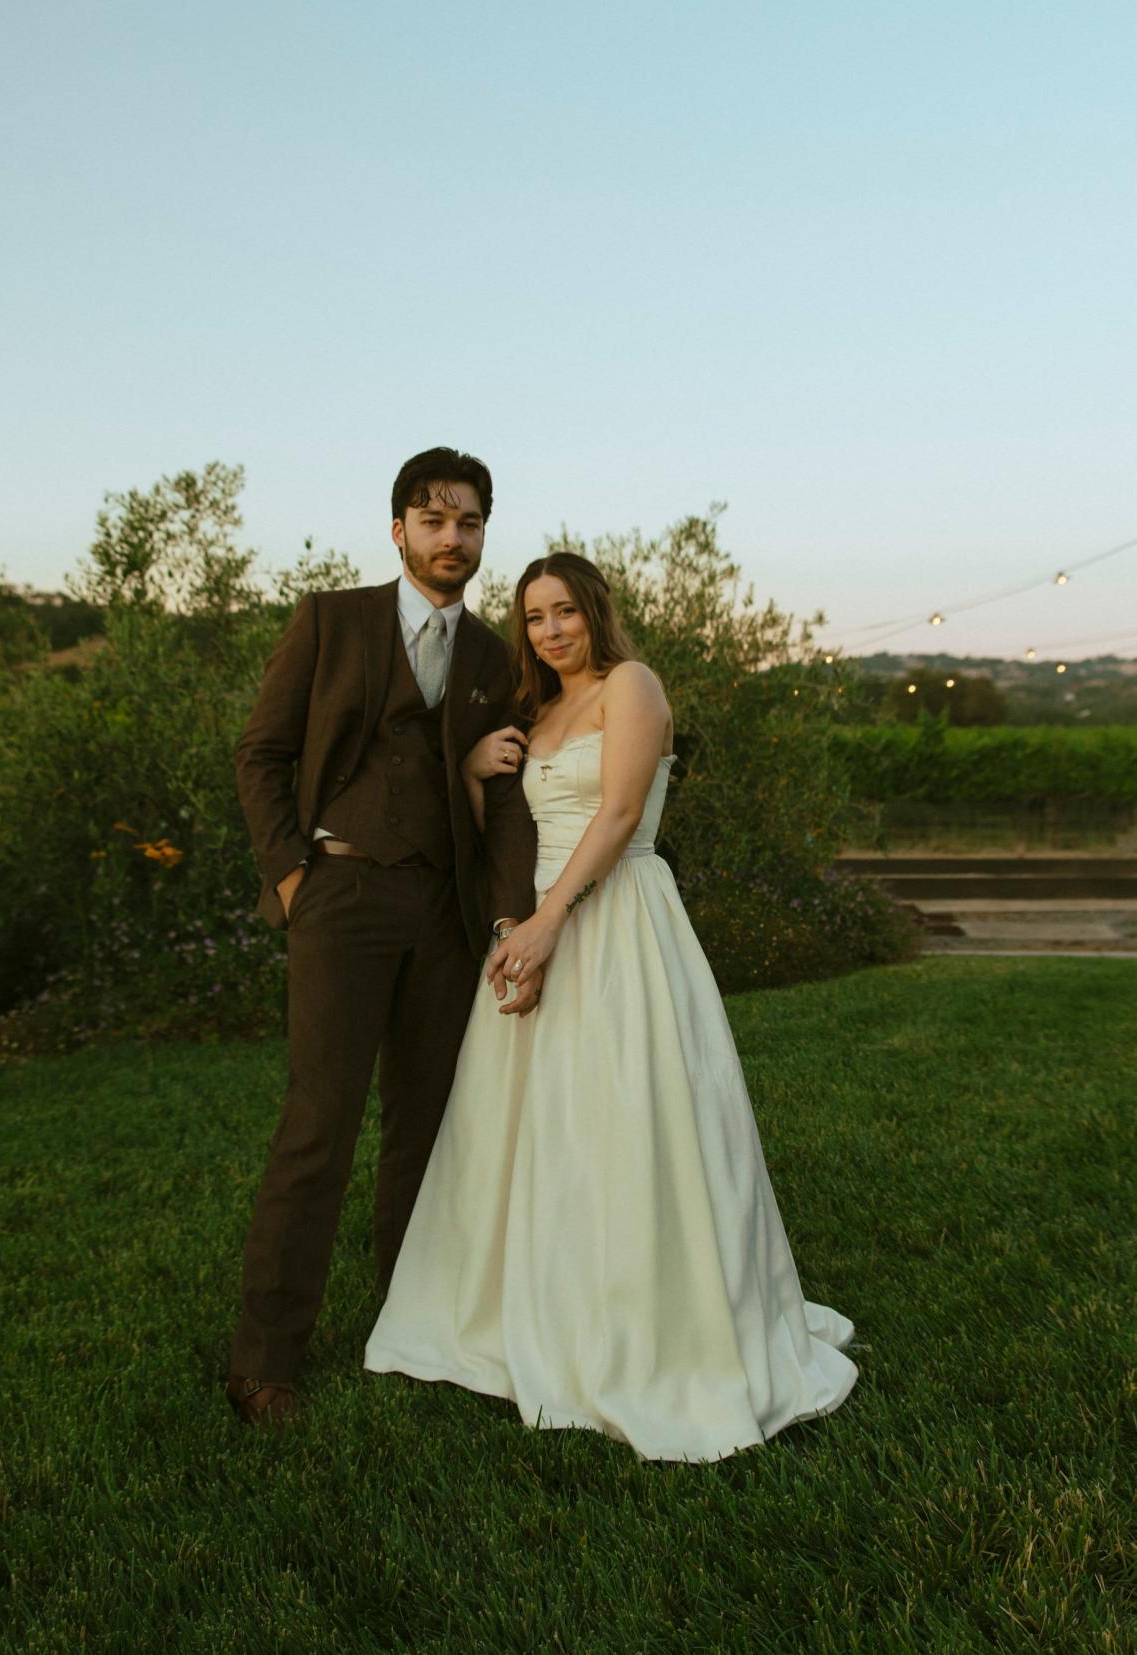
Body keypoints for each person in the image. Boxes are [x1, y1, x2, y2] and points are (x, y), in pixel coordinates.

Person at [364, 551, 858, 1462]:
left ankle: (649, 1322)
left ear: (595, 610)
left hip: (617, 918)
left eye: (564, 612)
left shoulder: (632, 684)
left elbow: (622, 811)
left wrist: (555, 921)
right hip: (536, 922)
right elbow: (508, 833)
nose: (550, 630)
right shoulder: (535, 712)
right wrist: (477, 782)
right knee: (532, 1130)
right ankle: (534, 1305)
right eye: (534, 617)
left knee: (631, 1117)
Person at [225, 447, 542, 1427]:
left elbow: (505, 803)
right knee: (319, 1127)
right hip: (343, 897)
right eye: (434, 520)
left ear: (486, 534)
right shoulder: (332, 622)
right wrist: (293, 874)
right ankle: (267, 1356)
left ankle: (409, 1328)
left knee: (426, 1130)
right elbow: (263, 753)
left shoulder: (496, 659)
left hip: (443, 916)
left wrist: (505, 912)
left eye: (471, 523)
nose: (454, 539)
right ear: (398, 529)